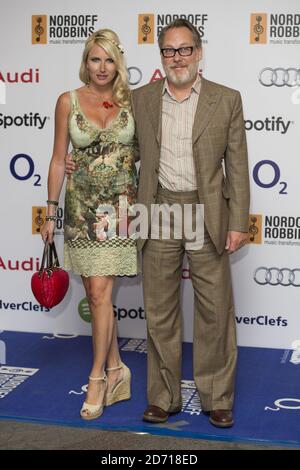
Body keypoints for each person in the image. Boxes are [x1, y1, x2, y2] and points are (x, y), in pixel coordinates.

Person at [66, 19, 250, 428]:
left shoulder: (227, 99)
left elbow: (237, 165)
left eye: (185, 49)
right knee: (160, 310)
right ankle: (162, 398)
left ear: (199, 53)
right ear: (161, 57)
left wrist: (237, 221)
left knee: (215, 310)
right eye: (169, 51)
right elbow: (116, 142)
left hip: (207, 213)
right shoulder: (142, 98)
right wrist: (75, 160)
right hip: (159, 210)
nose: (177, 57)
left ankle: (217, 397)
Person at [41, 29, 139, 420]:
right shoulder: (67, 101)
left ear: (119, 64)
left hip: (118, 212)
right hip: (81, 210)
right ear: (86, 61)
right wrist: (50, 212)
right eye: (95, 59)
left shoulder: (134, 103)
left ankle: (97, 376)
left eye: (109, 59)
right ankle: (117, 368)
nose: (102, 67)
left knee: (100, 294)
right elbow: (55, 158)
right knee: (98, 296)